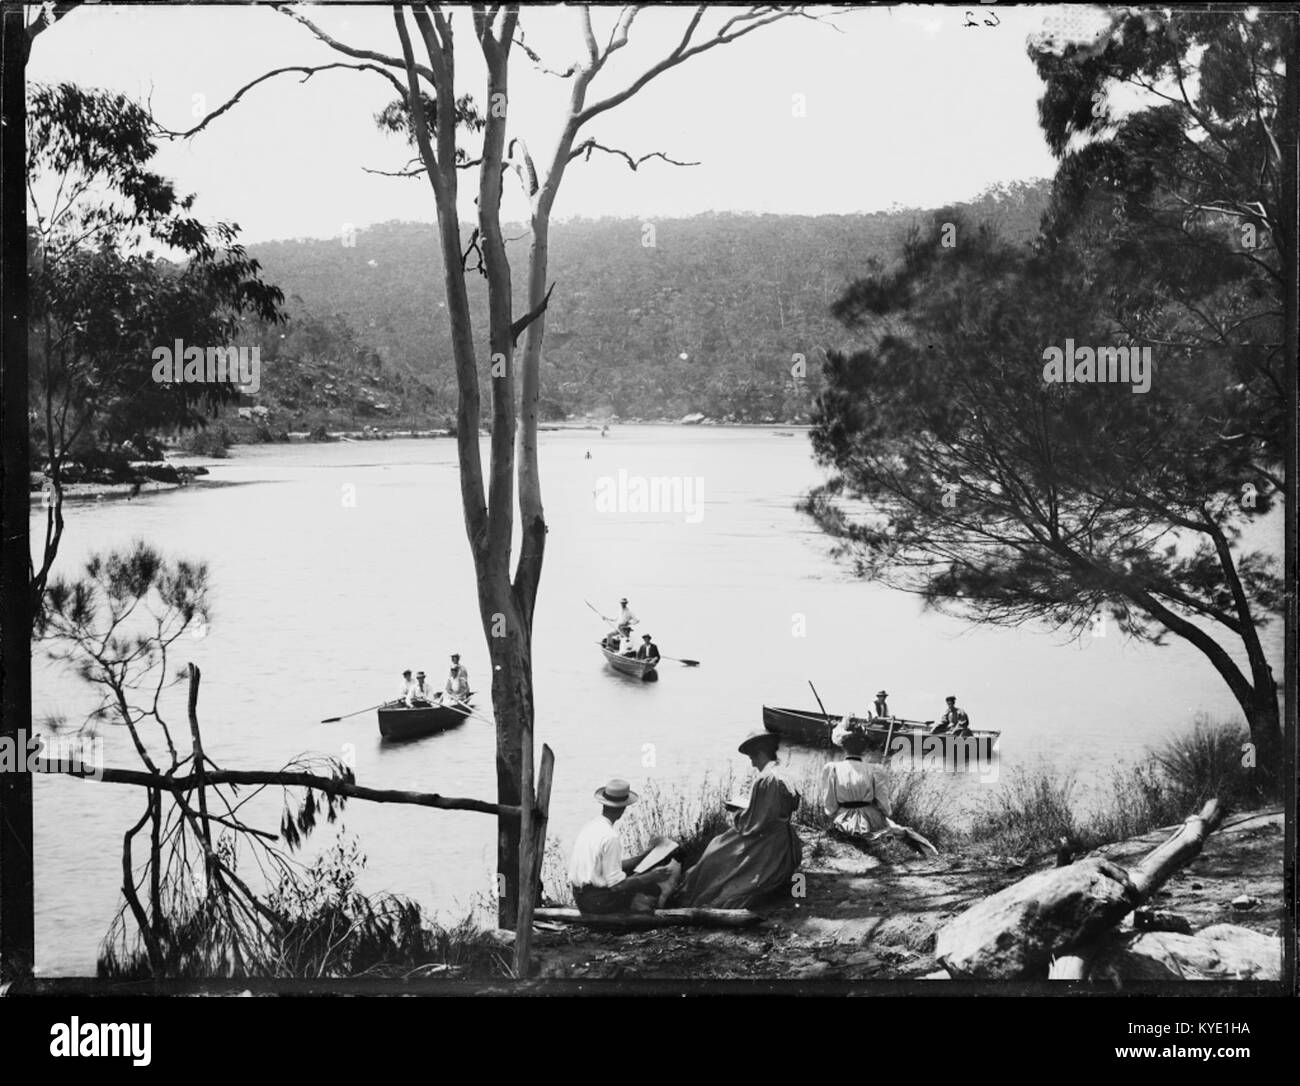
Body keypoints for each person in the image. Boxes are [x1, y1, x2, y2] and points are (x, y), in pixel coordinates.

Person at [676, 730, 802, 909]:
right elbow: (777, 810)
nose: (752, 763)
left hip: (768, 846)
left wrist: (736, 812)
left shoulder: (766, 780)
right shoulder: (784, 774)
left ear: (760, 753)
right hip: (784, 841)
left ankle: (692, 890)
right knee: (718, 845)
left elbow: (754, 824)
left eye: (752, 758)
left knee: (715, 852)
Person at [568, 778, 681, 914]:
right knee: (652, 887)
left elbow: (607, 866)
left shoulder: (590, 827)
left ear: (604, 803)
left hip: (581, 898)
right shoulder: (611, 837)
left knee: (636, 876)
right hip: (598, 903)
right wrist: (650, 877)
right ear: (623, 808)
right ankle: (644, 912)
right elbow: (617, 886)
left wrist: (646, 855)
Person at [822, 724, 892, 835]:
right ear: (864, 749)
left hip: (843, 819)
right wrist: (886, 813)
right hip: (870, 820)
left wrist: (835, 813)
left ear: (843, 747)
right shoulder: (875, 769)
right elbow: (883, 803)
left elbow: (830, 804)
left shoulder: (833, 768)